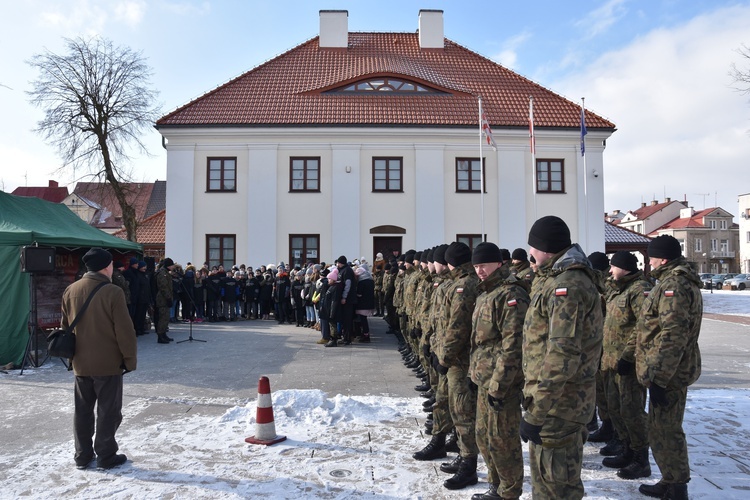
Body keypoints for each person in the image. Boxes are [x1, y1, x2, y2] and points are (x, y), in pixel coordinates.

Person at [520, 216, 603, 499]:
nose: (529, 253)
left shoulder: (568, 286)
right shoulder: (556, 279)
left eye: (533, 246)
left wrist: (537, 409)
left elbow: (562, 353)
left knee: (556, 487)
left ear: (546, 248)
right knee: (547, 482)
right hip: (554, 402)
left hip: (560, 404)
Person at [636, 235, 702, 500]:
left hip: (670, 373)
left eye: (652, 257)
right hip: (668, 370)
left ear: (662, 258)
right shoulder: (672, 282)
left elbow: (673, 334)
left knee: (668, 429)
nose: (649, 262)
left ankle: (677, 486)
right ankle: (670, 479)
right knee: (660, 427)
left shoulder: (673, 285)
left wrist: (661, 377)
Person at [61, 248, 137, 470]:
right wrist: (129, 360)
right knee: (108, 411)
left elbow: (66, 328)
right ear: (106, 266)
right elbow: (125, 331)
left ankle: (82, 455)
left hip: (80, 363)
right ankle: (106, 455)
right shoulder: (113, 292)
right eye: (112, 264)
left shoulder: (70, 290)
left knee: (82, 411)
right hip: (108, 363)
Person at [469, 242, 529, 500]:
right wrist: (475, 373)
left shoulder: (510, 294)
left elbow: (513, 344)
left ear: (499, 263)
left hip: (502, 382)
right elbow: (481, 340)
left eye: (484, 265)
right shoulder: (487, 292)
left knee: (503, 440)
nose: (479, 270)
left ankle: (509, 491)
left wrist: (500, 384)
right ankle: (495, 484)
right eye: (475, 266)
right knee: (484, 436)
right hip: (485, 377)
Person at [599, 251, 652, 479]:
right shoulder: (618, 288)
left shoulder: (639, 289)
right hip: (610, 362)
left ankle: (641, 459)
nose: (610, 271)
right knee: (616, 408)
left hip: (627, 363)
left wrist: (628, 356)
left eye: (613, 266)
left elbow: (644, 326)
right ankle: (626, 449)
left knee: (632, 411)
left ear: (624, 267)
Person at [434, 241, 481, 490]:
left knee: (463, 413)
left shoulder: (464, 284)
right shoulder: (464, 281)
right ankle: (464, 456)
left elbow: (457, 327)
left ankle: (469, 466)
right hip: (460, 359)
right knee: (459, 411)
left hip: (461, 361)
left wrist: (445, 357)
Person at [154, 258, 176, 343]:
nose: (173, 266)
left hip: (166, 298)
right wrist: (168, 298)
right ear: (168, 265)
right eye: (172, 265)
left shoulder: (166, 273)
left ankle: (164, 334)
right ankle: (160, 336)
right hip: (162, 299)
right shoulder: (162, 273)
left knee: (166, 318)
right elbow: (163, 287)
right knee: (163, 318)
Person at [354, 264, 375, 342]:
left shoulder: (361, 282)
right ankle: (366, 334)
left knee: (363, 320)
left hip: (362, 304)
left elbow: (359, 294)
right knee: (364, 319)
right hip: (369, 302)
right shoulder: (370, 280)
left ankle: (366, 335)